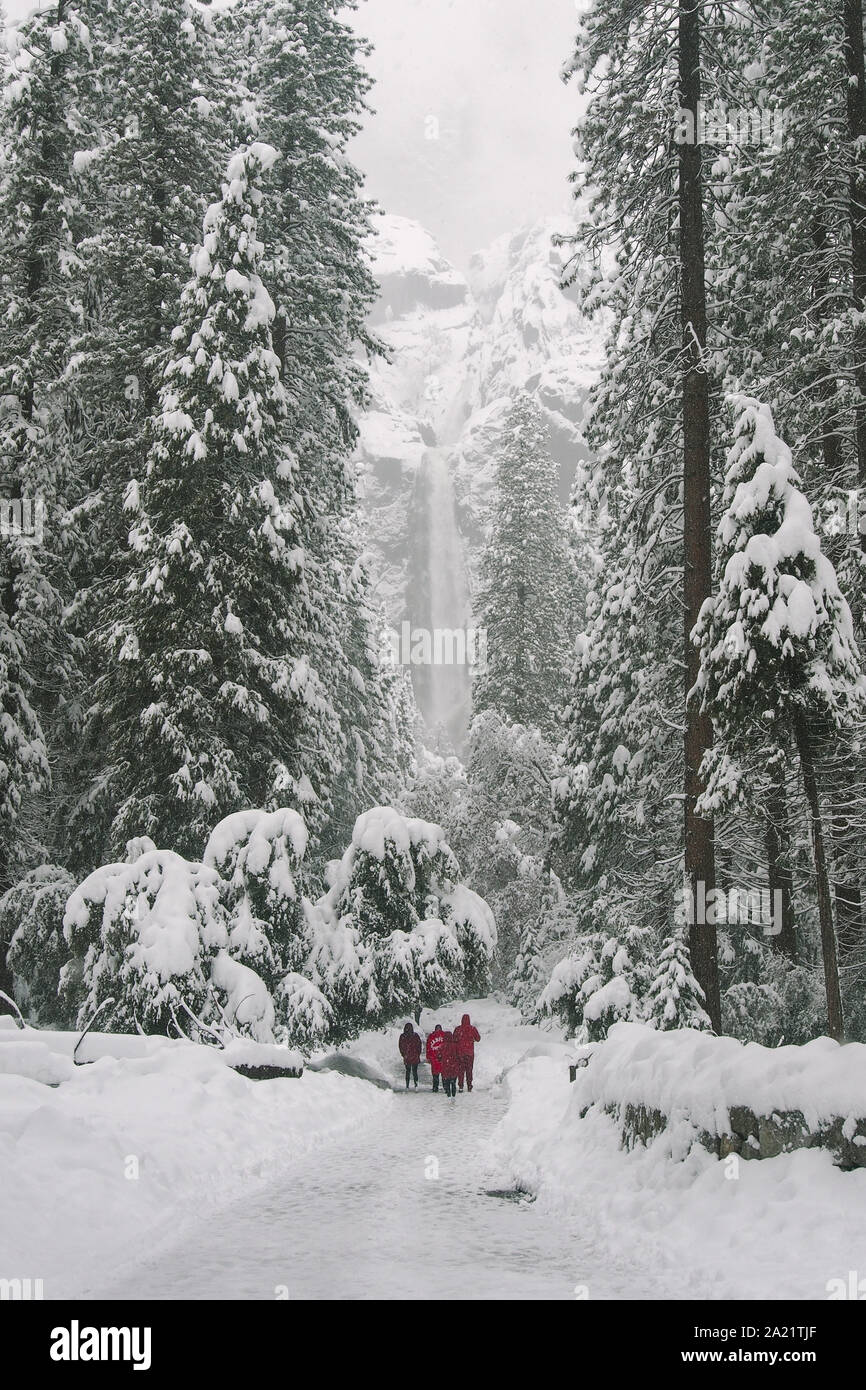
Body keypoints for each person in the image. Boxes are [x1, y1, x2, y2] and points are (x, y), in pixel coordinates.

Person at [453, 1013, 481, 1092]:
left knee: (460, 1070)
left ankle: (461, 1085)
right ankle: (469, 1085)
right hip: (469, 1053)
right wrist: (472, 1040)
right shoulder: (472, 1029)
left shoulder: (458, 1029)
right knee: (469, 1070)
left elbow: (453, 1039)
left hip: (460, 1053)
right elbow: (478, 1038)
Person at [398, 1022, 422, 1089]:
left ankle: (407, 1085)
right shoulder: (415, 1036)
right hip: (414, 1056)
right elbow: (419, 1045)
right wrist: (418, 1053)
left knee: (407, 1071)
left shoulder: (403, 1036)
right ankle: (416, 1084)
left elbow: (400, 1046)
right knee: (415, 1071)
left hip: (407, 1056)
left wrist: (403, 1054)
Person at [439, 1028, 459, 1099]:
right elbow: (458, 1055)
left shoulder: (442, 1046)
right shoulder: (455, 1046)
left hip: (446, 1066)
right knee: (453, 1082)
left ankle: (448, 1095)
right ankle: (453, 1095)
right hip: (454, 1066)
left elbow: (439, 1056)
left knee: (447, 1082)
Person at [426, 1023, 445, 1092]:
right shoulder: (444, 1035)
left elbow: (428, 1047)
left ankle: (435, 1087)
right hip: (441, 1058)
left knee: (435, 1074)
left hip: (435, 1058)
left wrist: (428, 1056)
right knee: (443, 1073)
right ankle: (444, 1086)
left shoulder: (431, 1036)